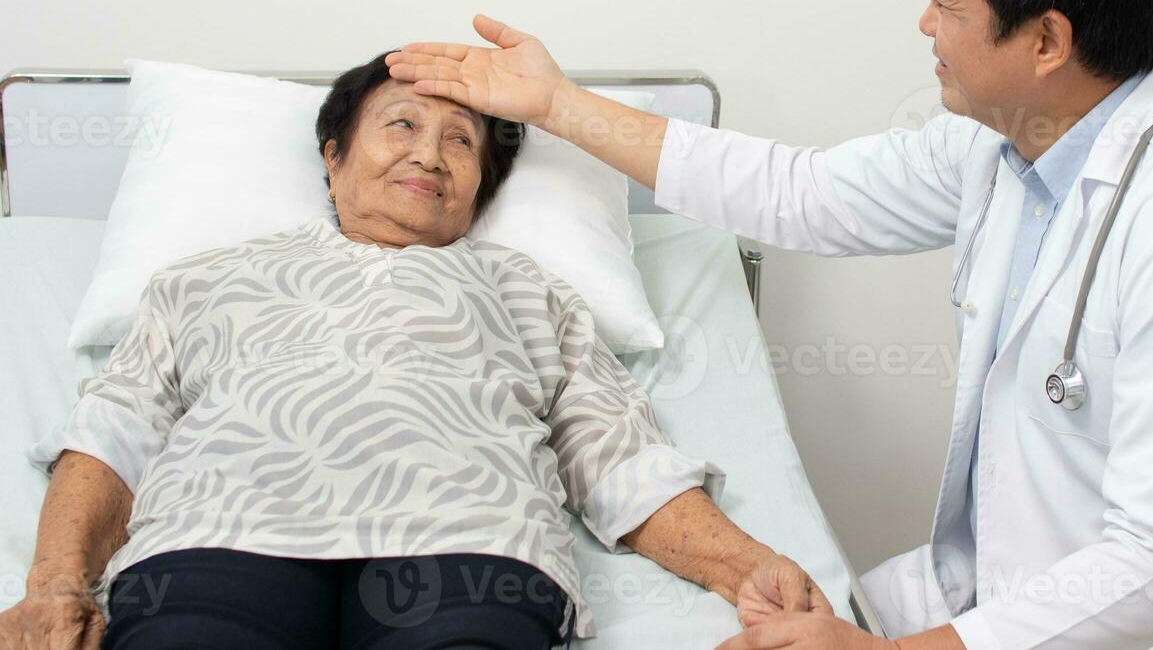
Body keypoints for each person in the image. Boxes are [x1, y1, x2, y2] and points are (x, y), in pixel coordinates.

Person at [384, 0, 1153, 648]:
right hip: (1001, 596)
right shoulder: (1003, 145)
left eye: (947, 2)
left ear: (1047, 42)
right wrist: (557, 104)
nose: (922, 23)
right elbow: (802, 193)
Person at [2, 52, 829, 650]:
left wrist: (742, 565)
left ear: (478, 191)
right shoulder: (205, 279)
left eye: (462, 143)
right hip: (221, 530)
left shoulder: (525, 289)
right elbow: (112, 434)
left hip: (468, 539)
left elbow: (616, 455)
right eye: (401, 125)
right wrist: (56, 588)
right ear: (333, 157)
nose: (429, 154)